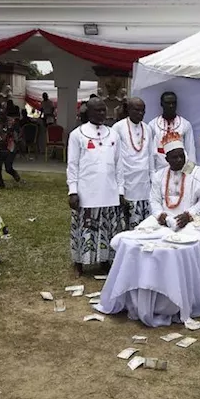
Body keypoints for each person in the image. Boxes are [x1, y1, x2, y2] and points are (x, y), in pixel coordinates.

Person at [67, 97, 124, 275]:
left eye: (103, 110)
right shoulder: (77, 134)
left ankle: (104, 260)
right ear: (88, 112)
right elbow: (72, 164)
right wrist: (73, 191)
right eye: (97, 110)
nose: (101, 113)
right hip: (86, 190)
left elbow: (119, 165)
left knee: (107, 227)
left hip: (109, 190)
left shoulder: (113, 134)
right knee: (85, 227)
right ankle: (79, 262)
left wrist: (121, 190)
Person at [148, 137, 200, 236]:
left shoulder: (195, 171)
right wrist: (160, 214)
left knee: (194, 236)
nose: (179, 160)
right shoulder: (159, 175)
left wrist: (189, 214)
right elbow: (154, 200)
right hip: (165, 220)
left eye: (181, 156)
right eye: (175, 157)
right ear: (167, 159)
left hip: (191, 219)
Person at [112, 97, 152, 230]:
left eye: (143, 111)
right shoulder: (118, 128)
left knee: (143, 225)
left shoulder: (148, 128)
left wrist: (153, 180)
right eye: (137, 110)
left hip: (144, 183)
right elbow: (115, 158)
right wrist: (119, 188)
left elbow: (151, 155)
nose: (140, 113)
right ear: (128, 110)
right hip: (126, 181)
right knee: (126, 224)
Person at [149, 91, 196, 171]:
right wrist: (153, 174)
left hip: (180, 171)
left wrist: (188, 175)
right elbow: (150, 153)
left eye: (174, 103)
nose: (171, 106)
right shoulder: (152, 125)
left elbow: (190, 151)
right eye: (167, 103)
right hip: (159, 171)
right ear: (161, 104)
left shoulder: (185, 124)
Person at [0, 113, 22, 188]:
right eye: (0, 114)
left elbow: (18, 133)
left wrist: (17, 143)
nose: (1, 116)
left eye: (3, 114)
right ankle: (1, 184)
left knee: (8, 168)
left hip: (10, 148)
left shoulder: (12, 123)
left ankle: (14, 174)